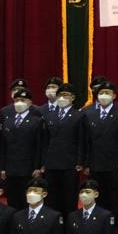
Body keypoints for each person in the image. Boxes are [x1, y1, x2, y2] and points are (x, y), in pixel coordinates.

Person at [84, 81, 118, 219]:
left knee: (114, 199)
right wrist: (86, 163)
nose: (104, 95)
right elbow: (86, 141)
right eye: (101, 93)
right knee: (97, 197)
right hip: (95, 164)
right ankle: (98, 225)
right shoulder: (88, 113)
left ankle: (114, 226)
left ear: (114, 95)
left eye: (107, 93)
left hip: (115, 164)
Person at [40, 83, 85, 217]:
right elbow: (44, 141)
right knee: (52, 198)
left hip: (70, 164)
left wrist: (80, 161)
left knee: (69, 199)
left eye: (65, 95)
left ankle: (69, 226)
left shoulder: (79, 116)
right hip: (51, 163)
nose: (62, 98)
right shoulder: (49, 115)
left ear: (73, 98)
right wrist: (43, 162)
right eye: (60, 95)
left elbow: (81, 140)